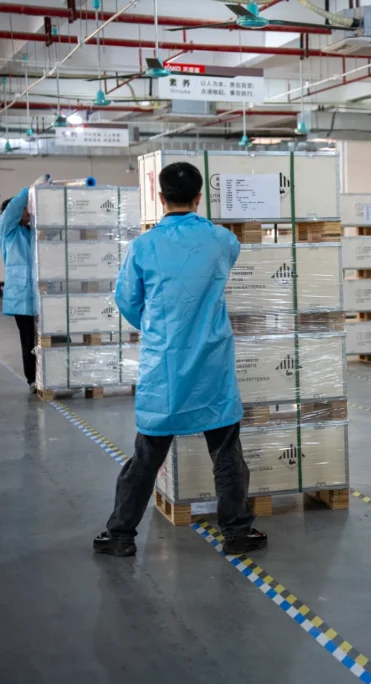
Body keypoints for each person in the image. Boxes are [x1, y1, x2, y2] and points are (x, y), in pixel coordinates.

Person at [94, 161, 267, 557]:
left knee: (145, 456)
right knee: (226, 452)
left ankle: (120, 535)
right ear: (199, 196)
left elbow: (126, 299)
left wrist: (159, 328)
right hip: (212, 365)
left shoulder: (143, 247)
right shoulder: (222, 241)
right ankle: (237, 531)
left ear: (160, 197)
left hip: (164, 366)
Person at [0, 178, 47, 389]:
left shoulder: (31, 232)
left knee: (46, 337)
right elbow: (12, 209)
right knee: (28, 340)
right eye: (26, 209)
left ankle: (50, 375)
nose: (29, 212)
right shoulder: (9, 231)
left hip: (39, 294)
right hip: (20, 296)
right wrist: (29, 190)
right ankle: (32, 379)